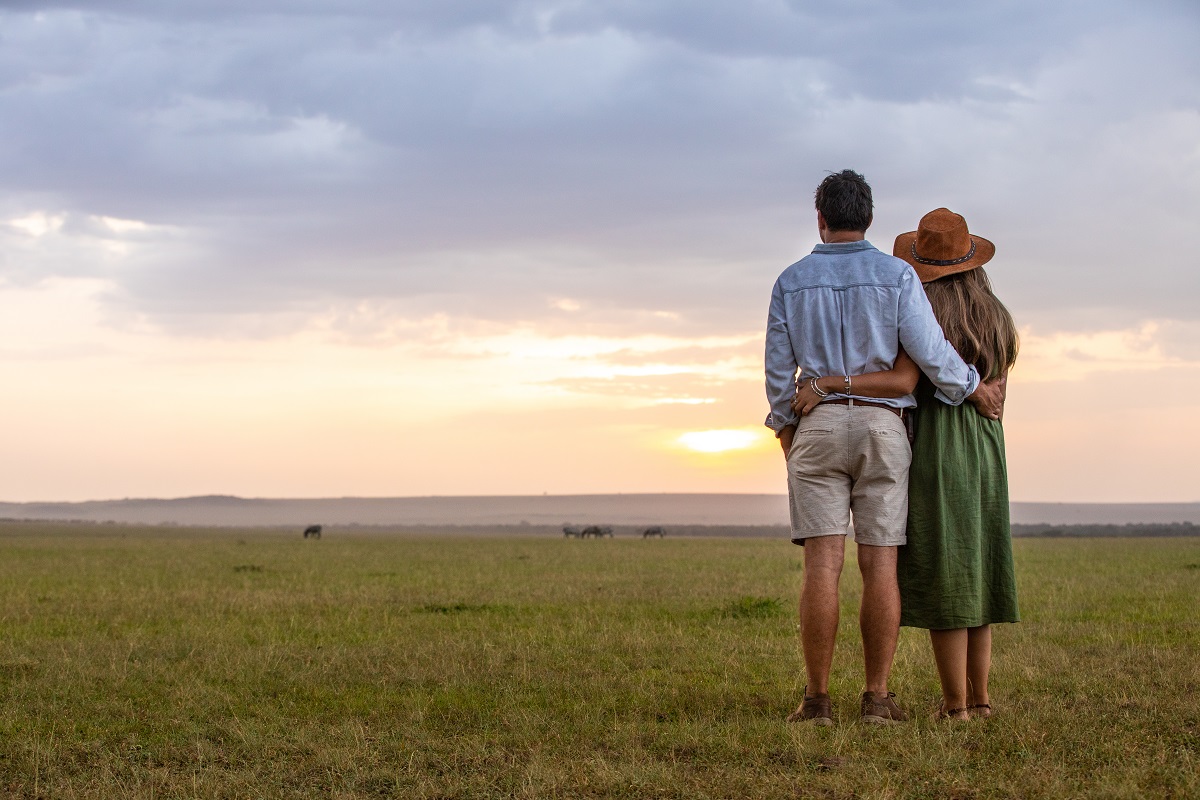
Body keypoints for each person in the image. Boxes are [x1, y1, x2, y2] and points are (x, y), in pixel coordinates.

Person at [764, 173, 1003, 726]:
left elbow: (779, 376)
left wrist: (787, 435)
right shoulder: (896, 275)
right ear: (869, 218)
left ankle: (818, 700)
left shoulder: (790, 281)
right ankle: (876, 698)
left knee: (822, 567)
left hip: (816, 425)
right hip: (883, 427)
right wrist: (975, 389)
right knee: (881, 568)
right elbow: (931, 351)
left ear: (819, 218)